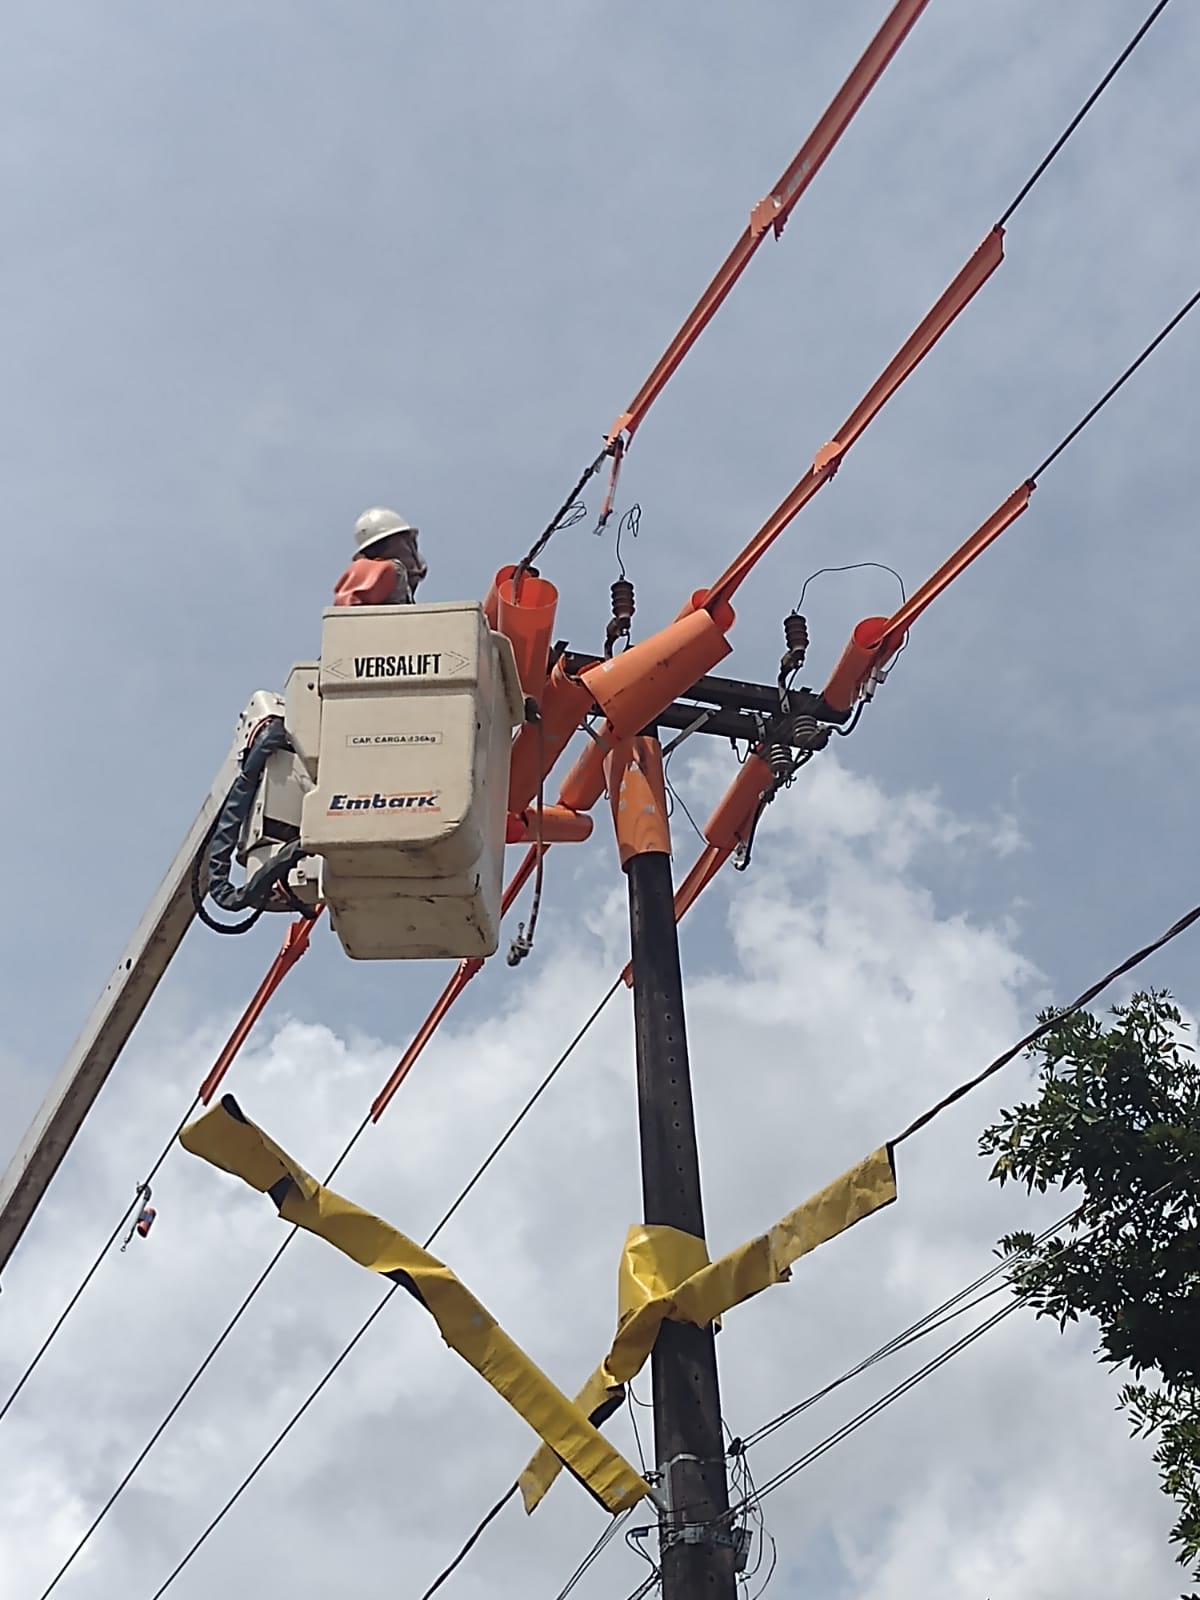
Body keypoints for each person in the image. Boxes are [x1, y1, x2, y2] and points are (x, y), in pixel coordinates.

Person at [333, 507, 428, 606]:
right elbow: (347, 603)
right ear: (394, 543)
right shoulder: (389, 571)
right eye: (409, 542)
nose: (412, 551)